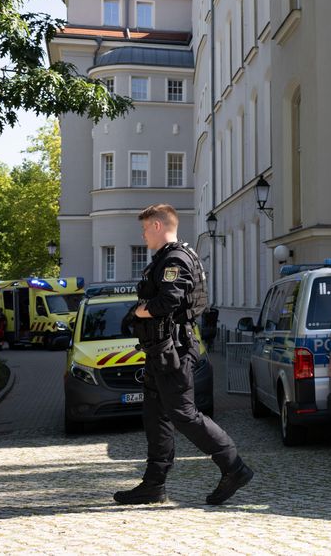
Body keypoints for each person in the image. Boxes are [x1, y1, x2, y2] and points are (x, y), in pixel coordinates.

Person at [112, 203, 253, 506]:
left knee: (183, 414)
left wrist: (136, 310)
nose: (143, 233)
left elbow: (168, 301)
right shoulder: (166, 259)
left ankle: (234, 466)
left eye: (145, 227)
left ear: (158, 226)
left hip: (173, 351)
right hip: (159, 351)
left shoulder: (175, 259)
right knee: (156, 416)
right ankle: (153, 484)